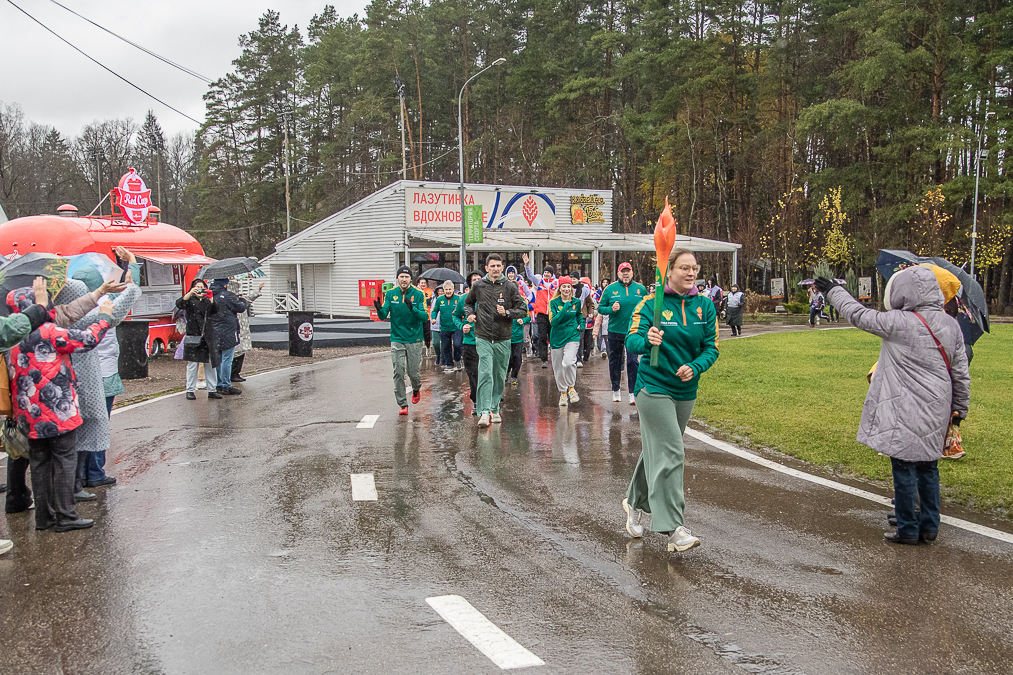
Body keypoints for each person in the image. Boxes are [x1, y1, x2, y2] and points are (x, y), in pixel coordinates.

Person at [817, 269, 969, 545]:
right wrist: (959, 411)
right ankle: (930, 526)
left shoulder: (900, 323)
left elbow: (860, 316)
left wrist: (833, 291)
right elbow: (960, 373)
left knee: (903, 466)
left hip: (904, 407)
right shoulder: (951, 325)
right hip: (938, 407)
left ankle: (907, 528)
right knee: (928, 467)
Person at [623, 248, 719, 553]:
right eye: (684, 268)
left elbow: (711, 348)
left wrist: (695, 366)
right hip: (652, 388)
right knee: (672, 451)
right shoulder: (651, 304)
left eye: (694, 268)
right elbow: (631, 339)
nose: (690, 274)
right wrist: (646, 339)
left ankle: (635, 502)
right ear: (669, 271)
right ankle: (673, 528)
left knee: (658, 450)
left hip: (685, 392)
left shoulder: (705, 306)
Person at [7, 282, 114, 532]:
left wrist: (95, 295)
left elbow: (62, 313)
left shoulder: (11, 335)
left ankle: (43, 517)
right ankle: (66, 514)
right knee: (65, 460)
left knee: (39, 462)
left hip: (27, 412)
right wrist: (104, 317)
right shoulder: (48, 332)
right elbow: (88, 339)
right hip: (57, 409)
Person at [0, 276, 52, 554]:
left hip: (10, 399)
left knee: (15, 450)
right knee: (31, 449)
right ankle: (43, 504)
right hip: (22, 398)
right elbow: (13, 329)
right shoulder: (23, 330)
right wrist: (40, 308)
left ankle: (15, 496)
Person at [464, 253, 527, 428]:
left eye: (499, 266)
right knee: (485, 373)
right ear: (487, 268)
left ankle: (494, 407)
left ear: (502, 267)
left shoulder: (509, 287)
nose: (496, 269)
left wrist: (507, 312)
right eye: (492, 266)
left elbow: (523, 310)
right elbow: (467, 303)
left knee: (499, 375)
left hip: (503, 337)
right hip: (483, 335)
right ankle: (484, 412)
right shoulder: (478, 286)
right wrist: (470, 315)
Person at [374, 265, 428, 415]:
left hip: (414, 338)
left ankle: (416, 389)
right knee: (398, 370)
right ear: (397, 278)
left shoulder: (418, 294)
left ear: (411, 279)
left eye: (407, 277)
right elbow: (383, 315)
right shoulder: (391, 294)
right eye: (401, 277)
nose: (404, 279)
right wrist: (379, 309)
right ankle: (403, 404)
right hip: (397, 337)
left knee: (413, 373)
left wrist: (413, 309)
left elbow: (425, 317)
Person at [598, 262, 648, 404]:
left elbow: (646, 308)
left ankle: (633, 392)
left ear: (632, 273)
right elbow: (601, 308)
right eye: (622, 272)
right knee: (615, 361)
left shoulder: (641, 289)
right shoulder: (610, 289)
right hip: (615, 330)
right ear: (618, 274)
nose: (625, 274)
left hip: (634, 331)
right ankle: (616, 390)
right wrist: (611, 309)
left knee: (632, 361)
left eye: (628, 271)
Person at [177, 279, 222, 400]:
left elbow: (216, 310)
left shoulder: (207, 301)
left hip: (208, 336)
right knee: (192, 365)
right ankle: (190, 390)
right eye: (196, 287)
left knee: (210, 364)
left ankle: (212, 389)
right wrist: (190, 293)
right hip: (193, 335)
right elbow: (179, 304)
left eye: (201, 287)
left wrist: (211, 298)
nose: (199, 289)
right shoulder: (190, 300)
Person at [548, 277, 583, 406]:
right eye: (564, 286)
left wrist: (582, 324)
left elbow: (579, 314)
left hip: (572, 336)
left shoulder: (577, 302)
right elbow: (554, 321)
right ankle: (563, 393)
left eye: (568, 286)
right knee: (558, 367)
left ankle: (571, 388)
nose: (566, 289)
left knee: (568, 362)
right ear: (560, 288)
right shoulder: (553, 302)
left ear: (571, 288)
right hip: (557, 337)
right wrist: (565, 307)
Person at [209, 279, 247, 395]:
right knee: (227, 359)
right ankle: (226, 385)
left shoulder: (210, 296)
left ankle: (219, 384)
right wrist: (241, 299)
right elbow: (240, 308)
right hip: (228, 330)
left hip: (214, 330)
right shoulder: (227, 295)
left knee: (218, 359)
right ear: (225, 284)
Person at [522, 252, 558, 368]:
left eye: (548, 272)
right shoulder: (540, 282)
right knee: (542, 337)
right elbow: (530, 276)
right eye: (545, 272)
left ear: (552, 273)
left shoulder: (556, 284)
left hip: (553, 314)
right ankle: (544, 360)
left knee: (553, 337)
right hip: (542, 313)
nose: (546, 274)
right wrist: (527, 265)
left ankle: (555, 357)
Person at [454, 271, 483, 413]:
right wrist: (462, 326)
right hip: (470, 342)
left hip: (487, 341)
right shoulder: (463, 299)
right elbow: (455, 316)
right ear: (470, 283)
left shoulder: (489, 298)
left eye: (479, 279)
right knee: (473, 372)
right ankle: (477, 401)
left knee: (487, 372)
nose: (477, 281)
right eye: (474, 280)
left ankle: (489, 399)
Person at [230, 280, 264, 382]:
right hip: (235, 328)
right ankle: (232, 373)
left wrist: (257, 290)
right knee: (235, 352)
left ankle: (236, 372)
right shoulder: (229, 300)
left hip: (243, 328)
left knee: (242, 351)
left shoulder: (240, 299)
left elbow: (247, 300)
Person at [432, 280, 463, 372]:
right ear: (444, 290)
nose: (448, 291)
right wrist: (433, 318)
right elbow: (434, 310)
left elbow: (464, 309)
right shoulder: (439, 299)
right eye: (446, 290)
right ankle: (449, 364)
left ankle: (457, 360)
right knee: (445, 347)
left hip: (456, 326)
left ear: (453, 289)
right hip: (444, 327)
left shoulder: (459, 298)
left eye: (450, 289)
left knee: (457, 345)